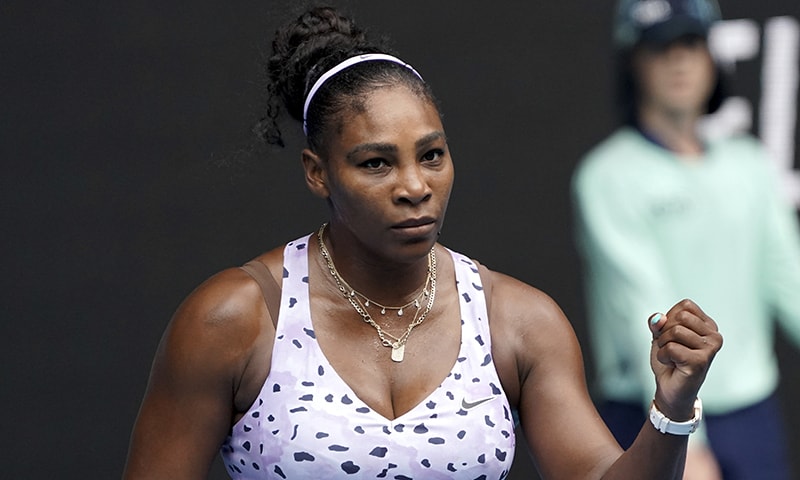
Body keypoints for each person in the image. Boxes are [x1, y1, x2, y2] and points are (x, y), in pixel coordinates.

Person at [124, 5, 722, 479]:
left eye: (431, 155)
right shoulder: (234, 319)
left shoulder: (518, 322)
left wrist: (671, 409)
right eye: (376, 163)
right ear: (317, 172)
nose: (415, 187)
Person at [572, 0, 800, 479]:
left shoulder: (750, 164)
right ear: (633, 62)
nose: (678, 61)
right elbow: (645, 306)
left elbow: (791, 282)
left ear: (712, 58)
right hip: (651, 412)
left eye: (691, 44)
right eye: (659, 48)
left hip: (751, 417)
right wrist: (683, 434)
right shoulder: (607, 176)